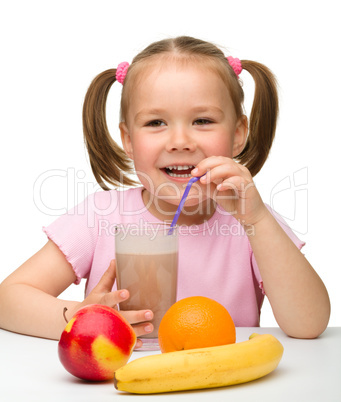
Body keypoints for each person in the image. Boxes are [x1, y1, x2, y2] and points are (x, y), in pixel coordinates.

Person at [0, 36, 330, 345]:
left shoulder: (251, 222)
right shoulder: (99, 216)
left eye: (202, 120)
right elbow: (9, 298)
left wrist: (257, 217)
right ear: (128, 140)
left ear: (238, 133)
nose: (180, 142)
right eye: (156, 123)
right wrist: (80, 317)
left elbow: (309, 324)